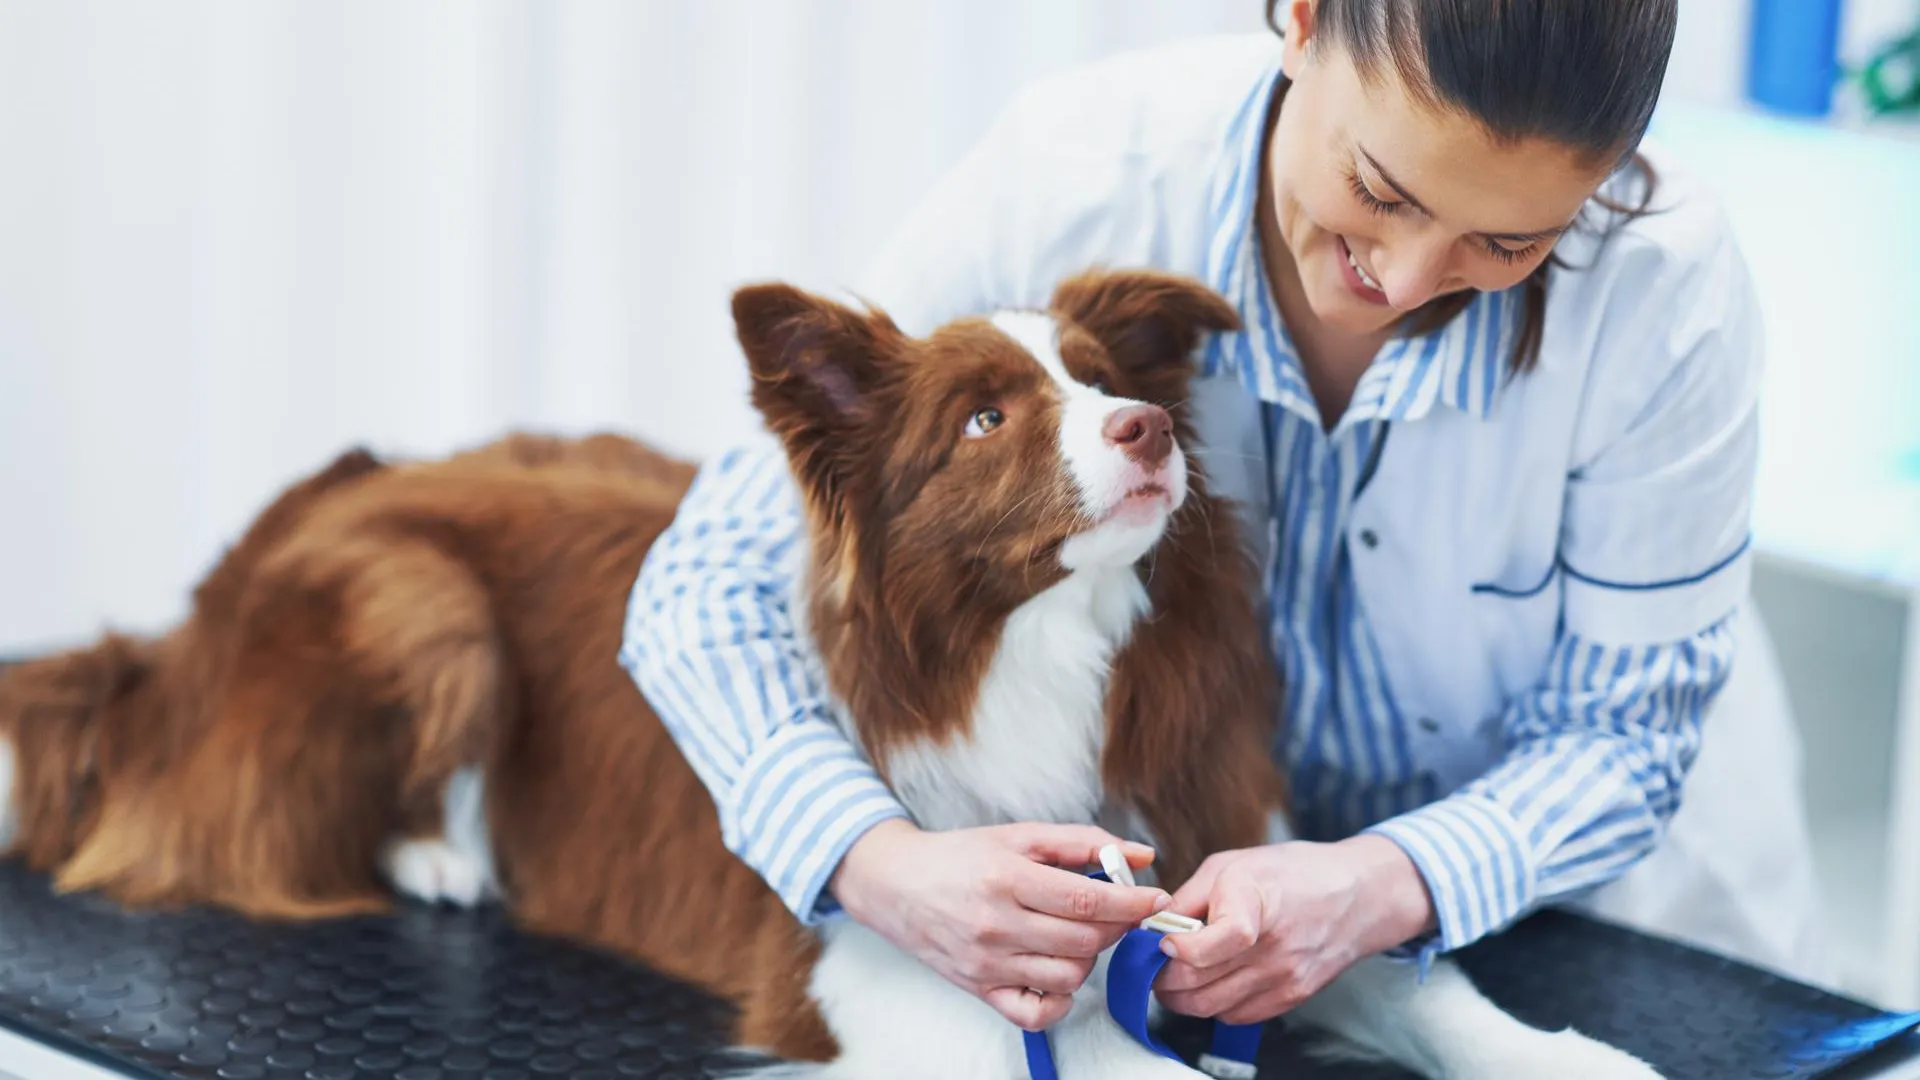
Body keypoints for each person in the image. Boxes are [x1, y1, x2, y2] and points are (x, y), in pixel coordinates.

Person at [620, 0, 1830, 1034]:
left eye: (1508, 241)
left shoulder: (1667, 292)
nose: (1405, 284)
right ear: (1300, 18)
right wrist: (880, 864)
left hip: (1592, 925)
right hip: (1206, 889)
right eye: (1378, 187)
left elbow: (1620, 736)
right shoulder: (1072, 172)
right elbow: (700, 594)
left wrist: (1380, 882)